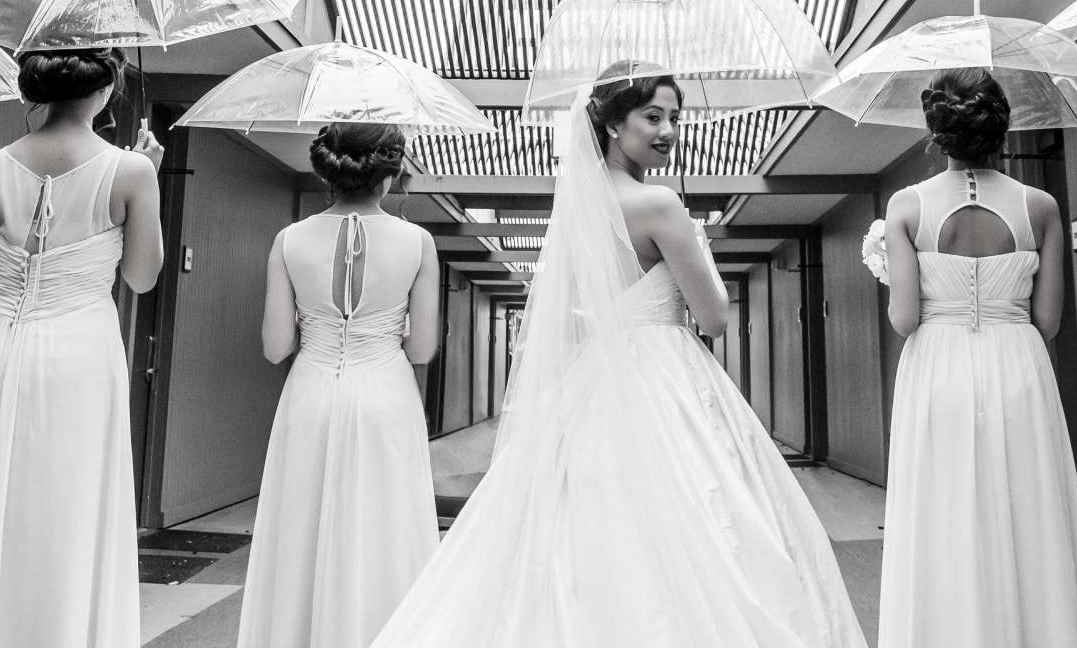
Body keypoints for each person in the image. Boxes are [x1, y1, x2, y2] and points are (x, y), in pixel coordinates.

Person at [370, 65, 867, 648]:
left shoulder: (577, 212)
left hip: (595, 380)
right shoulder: (659, 204)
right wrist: (696, 256)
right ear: (610, 123)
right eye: (652, 116)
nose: (668, 130)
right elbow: (715, 318)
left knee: (584, 522)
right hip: (666, 372)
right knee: (699, 518)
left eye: (675, 118)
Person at [0, 47, 164, 648]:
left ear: (40, 92)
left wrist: (10, 308)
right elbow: (142, 276)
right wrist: (146, 172)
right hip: (79, 354)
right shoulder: (131, 170)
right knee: (64, 512)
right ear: (106, 92)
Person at [877, 68, 1077, 648]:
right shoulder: (1042, 205)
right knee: (1028, 509)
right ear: (1003, 128)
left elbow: (904, 320)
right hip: (1016, 365)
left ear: (935, 132)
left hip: (938, 370)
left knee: (943, 512)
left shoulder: (906, 206)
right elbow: (1048, 322)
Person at [237, 122, 440, 648]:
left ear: (328, 172)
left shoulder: (289, 240)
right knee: (384, 529)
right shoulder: (418, 242)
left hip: (311, 392)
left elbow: (276, 346)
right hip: (386, 396)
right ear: (391, 174)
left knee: (300, 526)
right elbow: (421, 350)